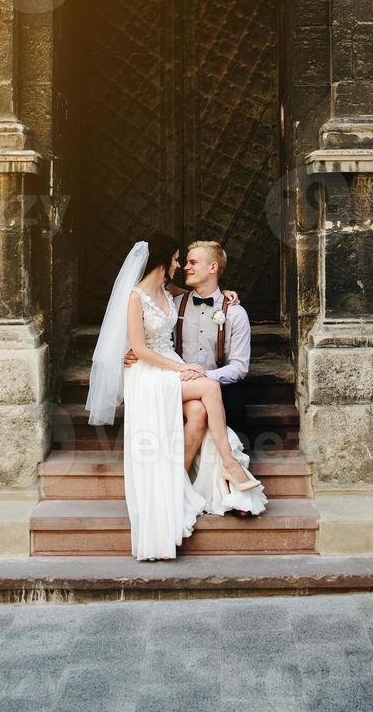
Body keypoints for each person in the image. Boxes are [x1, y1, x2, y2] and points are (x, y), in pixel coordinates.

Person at [85, 235, 264, 561]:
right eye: (179, 259)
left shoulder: (178, 296)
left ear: (211, 268)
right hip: (154, 371)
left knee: (197, 411)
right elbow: (139, 346)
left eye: (189, 261)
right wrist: (135, 355)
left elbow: (236, 362)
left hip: (176, 371)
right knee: (208, 390)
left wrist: (227, 295)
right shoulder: (138, 296)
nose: (181, 266)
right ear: (163, 260)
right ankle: (230, 465)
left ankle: (176, 485)